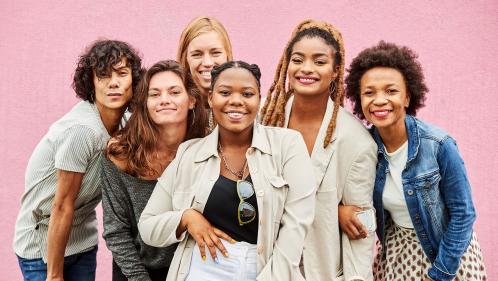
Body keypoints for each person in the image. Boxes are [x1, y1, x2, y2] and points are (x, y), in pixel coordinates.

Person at [138, 61, 316, 281]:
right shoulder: (189, 154)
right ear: (211, 98)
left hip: (269, 269)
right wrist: (186, 218)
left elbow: (297, 226)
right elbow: (147, 226)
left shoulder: (288, 145)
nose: (236, 101)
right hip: (204, 268)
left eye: (247, 93)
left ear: (259, 99)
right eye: (224, 92)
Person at [342, 41, 487, 280]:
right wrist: (340, 211)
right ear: (359, 99)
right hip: (398, 254)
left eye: (391, 91)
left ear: (408, 97)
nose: (379, 100)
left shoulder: (439, 145)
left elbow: (464, 214)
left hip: (449, 256)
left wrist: (440, 272)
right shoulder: (362, 148)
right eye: (369, 92)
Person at [13, 40, 143, 281]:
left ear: (134, 81)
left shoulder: (126, 123)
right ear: (91, 83)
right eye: (103, 75)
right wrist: (54, 275)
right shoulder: (82, 130)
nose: (113, 82)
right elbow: (61, 205)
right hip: (42, 246)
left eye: (122, 74)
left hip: (82, 239)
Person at [260, 19, 377, 281]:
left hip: (318, 272)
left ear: (335, 71)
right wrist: (332, 210)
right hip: (262, 267)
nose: (307, 69)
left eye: (319, 61)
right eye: (298, 59)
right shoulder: (264, 116)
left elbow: (363, 224)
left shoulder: (356, 142)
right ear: (286, 64)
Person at [102, 60, 207, 281]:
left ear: (192, 100)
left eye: (174, 92)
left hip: (191, 269)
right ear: (145, 103)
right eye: (155, 94)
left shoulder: (207, 150)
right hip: (135, 269)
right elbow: (116, 231)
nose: (164, 100)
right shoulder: (120, 153)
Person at [176, 16, 233, 129]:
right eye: (197, 54)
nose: (207, 62)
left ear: (227, 55)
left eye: (215, 53)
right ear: (185, 59)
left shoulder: (245, 106)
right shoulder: (174, 108)